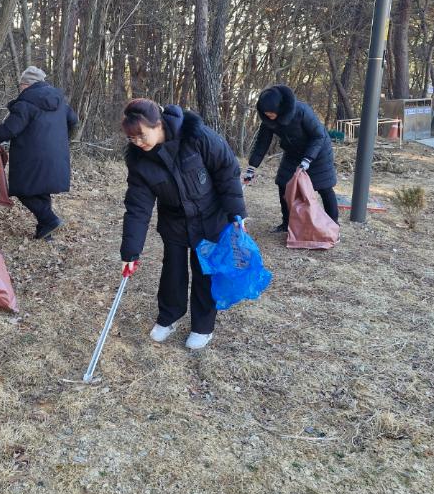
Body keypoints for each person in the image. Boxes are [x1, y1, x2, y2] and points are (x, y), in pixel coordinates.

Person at [120, 99, 246, 350]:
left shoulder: (196, 136)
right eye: (132, 139)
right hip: (174, 220)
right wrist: (130, 252)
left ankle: (203, 326)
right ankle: (169, 317)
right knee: (173, 270)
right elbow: (138, 207)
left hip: (210, 216)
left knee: (204, 271)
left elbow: (226, 170)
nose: (138, 143)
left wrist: (236, 213)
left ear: (158, 124)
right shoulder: (139, 161)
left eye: (141, 135)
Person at [0, 66, 78, 240]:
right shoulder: (59, 102)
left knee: (23, 189)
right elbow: (74, 121)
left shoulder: (26, 103)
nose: (20, 89)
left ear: (27, 85)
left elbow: (10, 129)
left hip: (31, 157)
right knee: (41, 190)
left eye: (21, 85)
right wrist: (63, 140)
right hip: (57, 156)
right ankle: (45, 231)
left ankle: (50, 220)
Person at [242, 84, 338, 231]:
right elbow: (262, 143)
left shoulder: (302, 111)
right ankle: (286, 223)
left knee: (324, 188)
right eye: (265, 113)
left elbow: (318, 136)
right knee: (283, 183)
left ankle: (333, 225)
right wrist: (251, 167)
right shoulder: (269, 121)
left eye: (271, 112)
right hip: (292, 153)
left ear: (280, 107)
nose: (269, 115)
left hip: (317, 152)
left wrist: (307, 159)